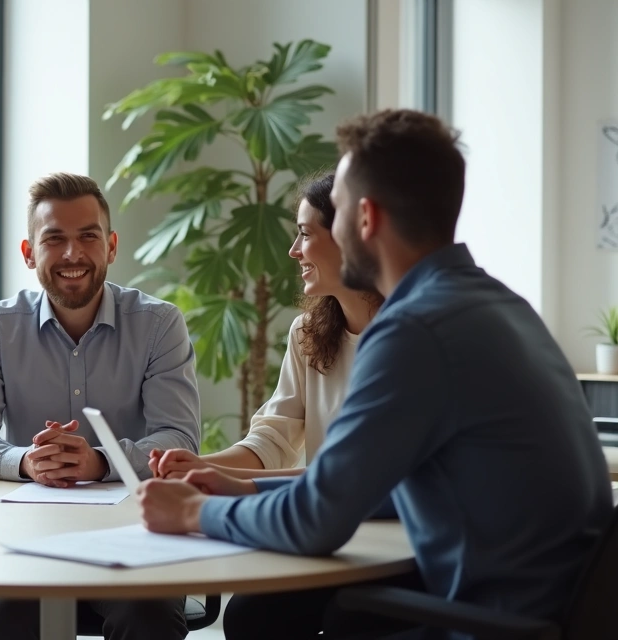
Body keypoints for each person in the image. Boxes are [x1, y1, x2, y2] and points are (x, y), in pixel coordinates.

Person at [138, 109, 613, 640]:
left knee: (276, 618)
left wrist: (195, 513)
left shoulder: (415, 330)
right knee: (286, 612)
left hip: (497, 624)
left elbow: (315, 522)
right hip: (550, 610)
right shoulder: (501, 306)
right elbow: (378, 488)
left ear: (365, 218)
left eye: (337, 210)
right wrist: (246, 489)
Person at [0, 172, 203, 640]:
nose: (72, 254)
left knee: (149, 618)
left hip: (135, 536)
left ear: (111, 246)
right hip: (26, 537)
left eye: (88, 236)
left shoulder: (159, 324)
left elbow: (180, 439)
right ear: (29, 253)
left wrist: (99, 461)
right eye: (54, 239)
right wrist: (24, 460)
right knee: (13, 616)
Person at [150, 172, 383, 483]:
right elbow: (272, 441)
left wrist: (223, 480)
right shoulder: (307, 333)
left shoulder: (409, 337)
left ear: (348, 238)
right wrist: (195, 465)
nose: (294, 250)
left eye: (305, 234)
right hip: (323, 511)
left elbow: (353, 475)